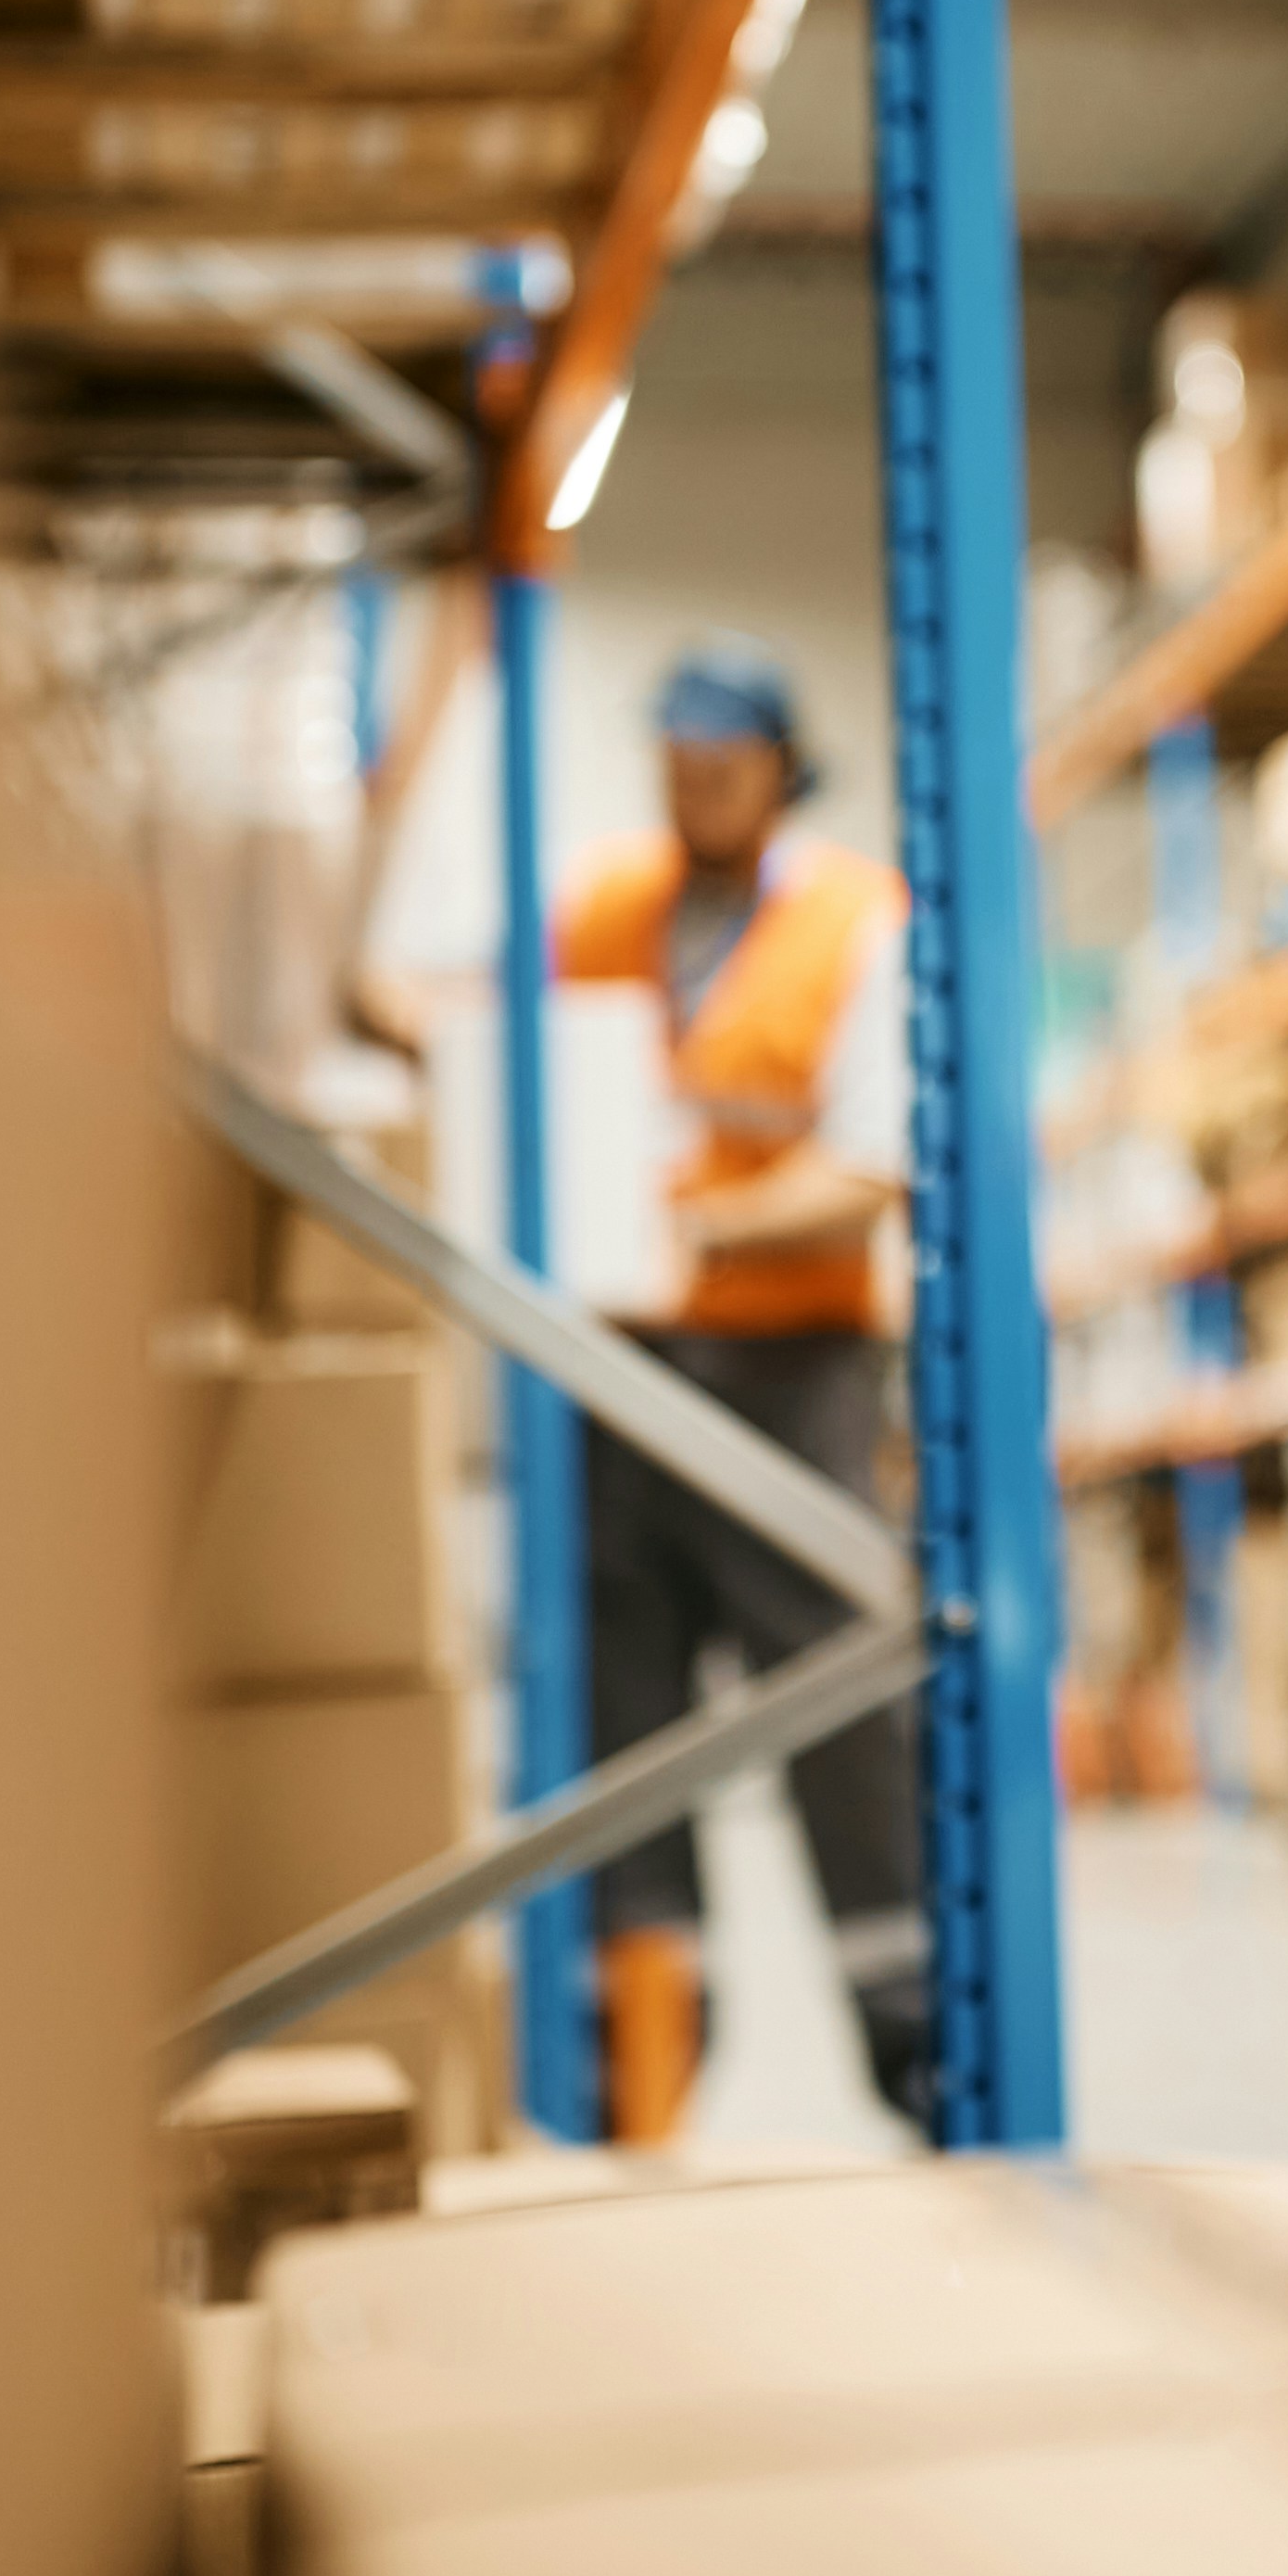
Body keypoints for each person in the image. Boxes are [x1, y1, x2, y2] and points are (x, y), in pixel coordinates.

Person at [549, 637, 932, 2138]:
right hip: (619, 1372)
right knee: (623, 1713)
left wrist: (674, 1224)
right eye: (675, 752)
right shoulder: (593, 907)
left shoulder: (854, 921)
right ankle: (632, 2065)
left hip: (792, 1374)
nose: (693, 776)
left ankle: (916, 2045)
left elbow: (868, 1169)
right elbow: (456, 1038)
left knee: (839, 1704)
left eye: (723, 752)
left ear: (781, 762)